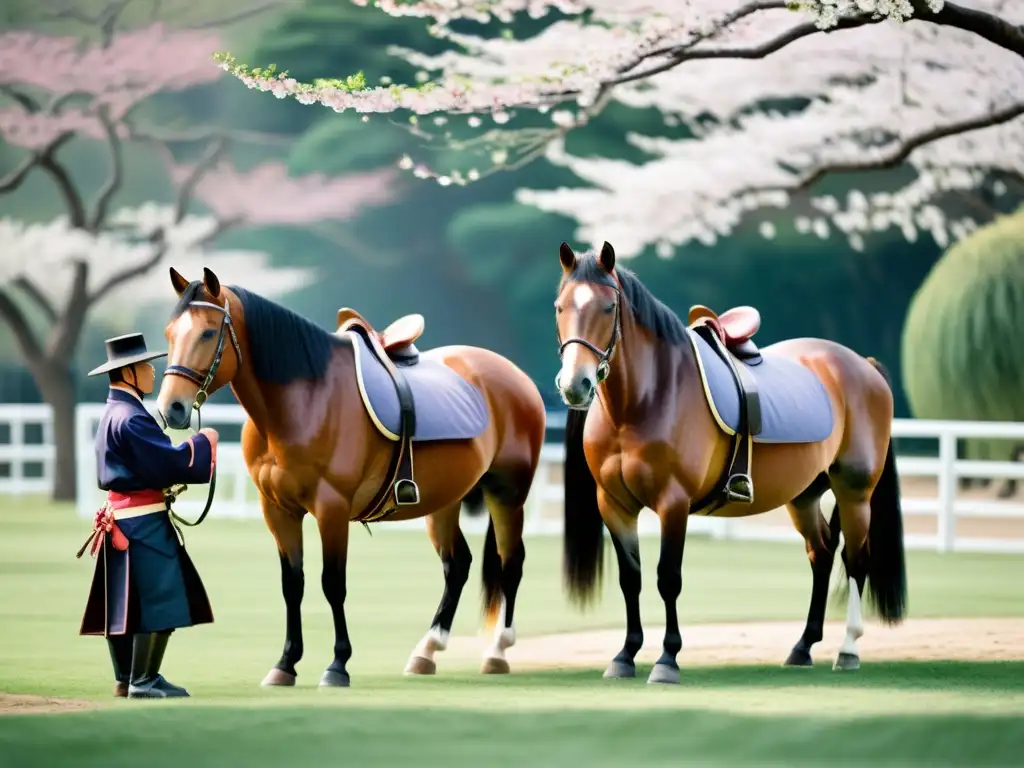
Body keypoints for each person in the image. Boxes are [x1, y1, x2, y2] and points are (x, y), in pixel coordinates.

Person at [79, 333, 219, 699]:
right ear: (128, 373)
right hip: (143, 523)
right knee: (164, 596)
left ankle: (125, 677)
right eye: (145, 366)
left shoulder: (114, 412)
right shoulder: (132, 418)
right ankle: (145, 680)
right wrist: (202, 443)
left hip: (121, 520)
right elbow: (168, 463)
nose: (153, 372)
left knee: (126, 603)